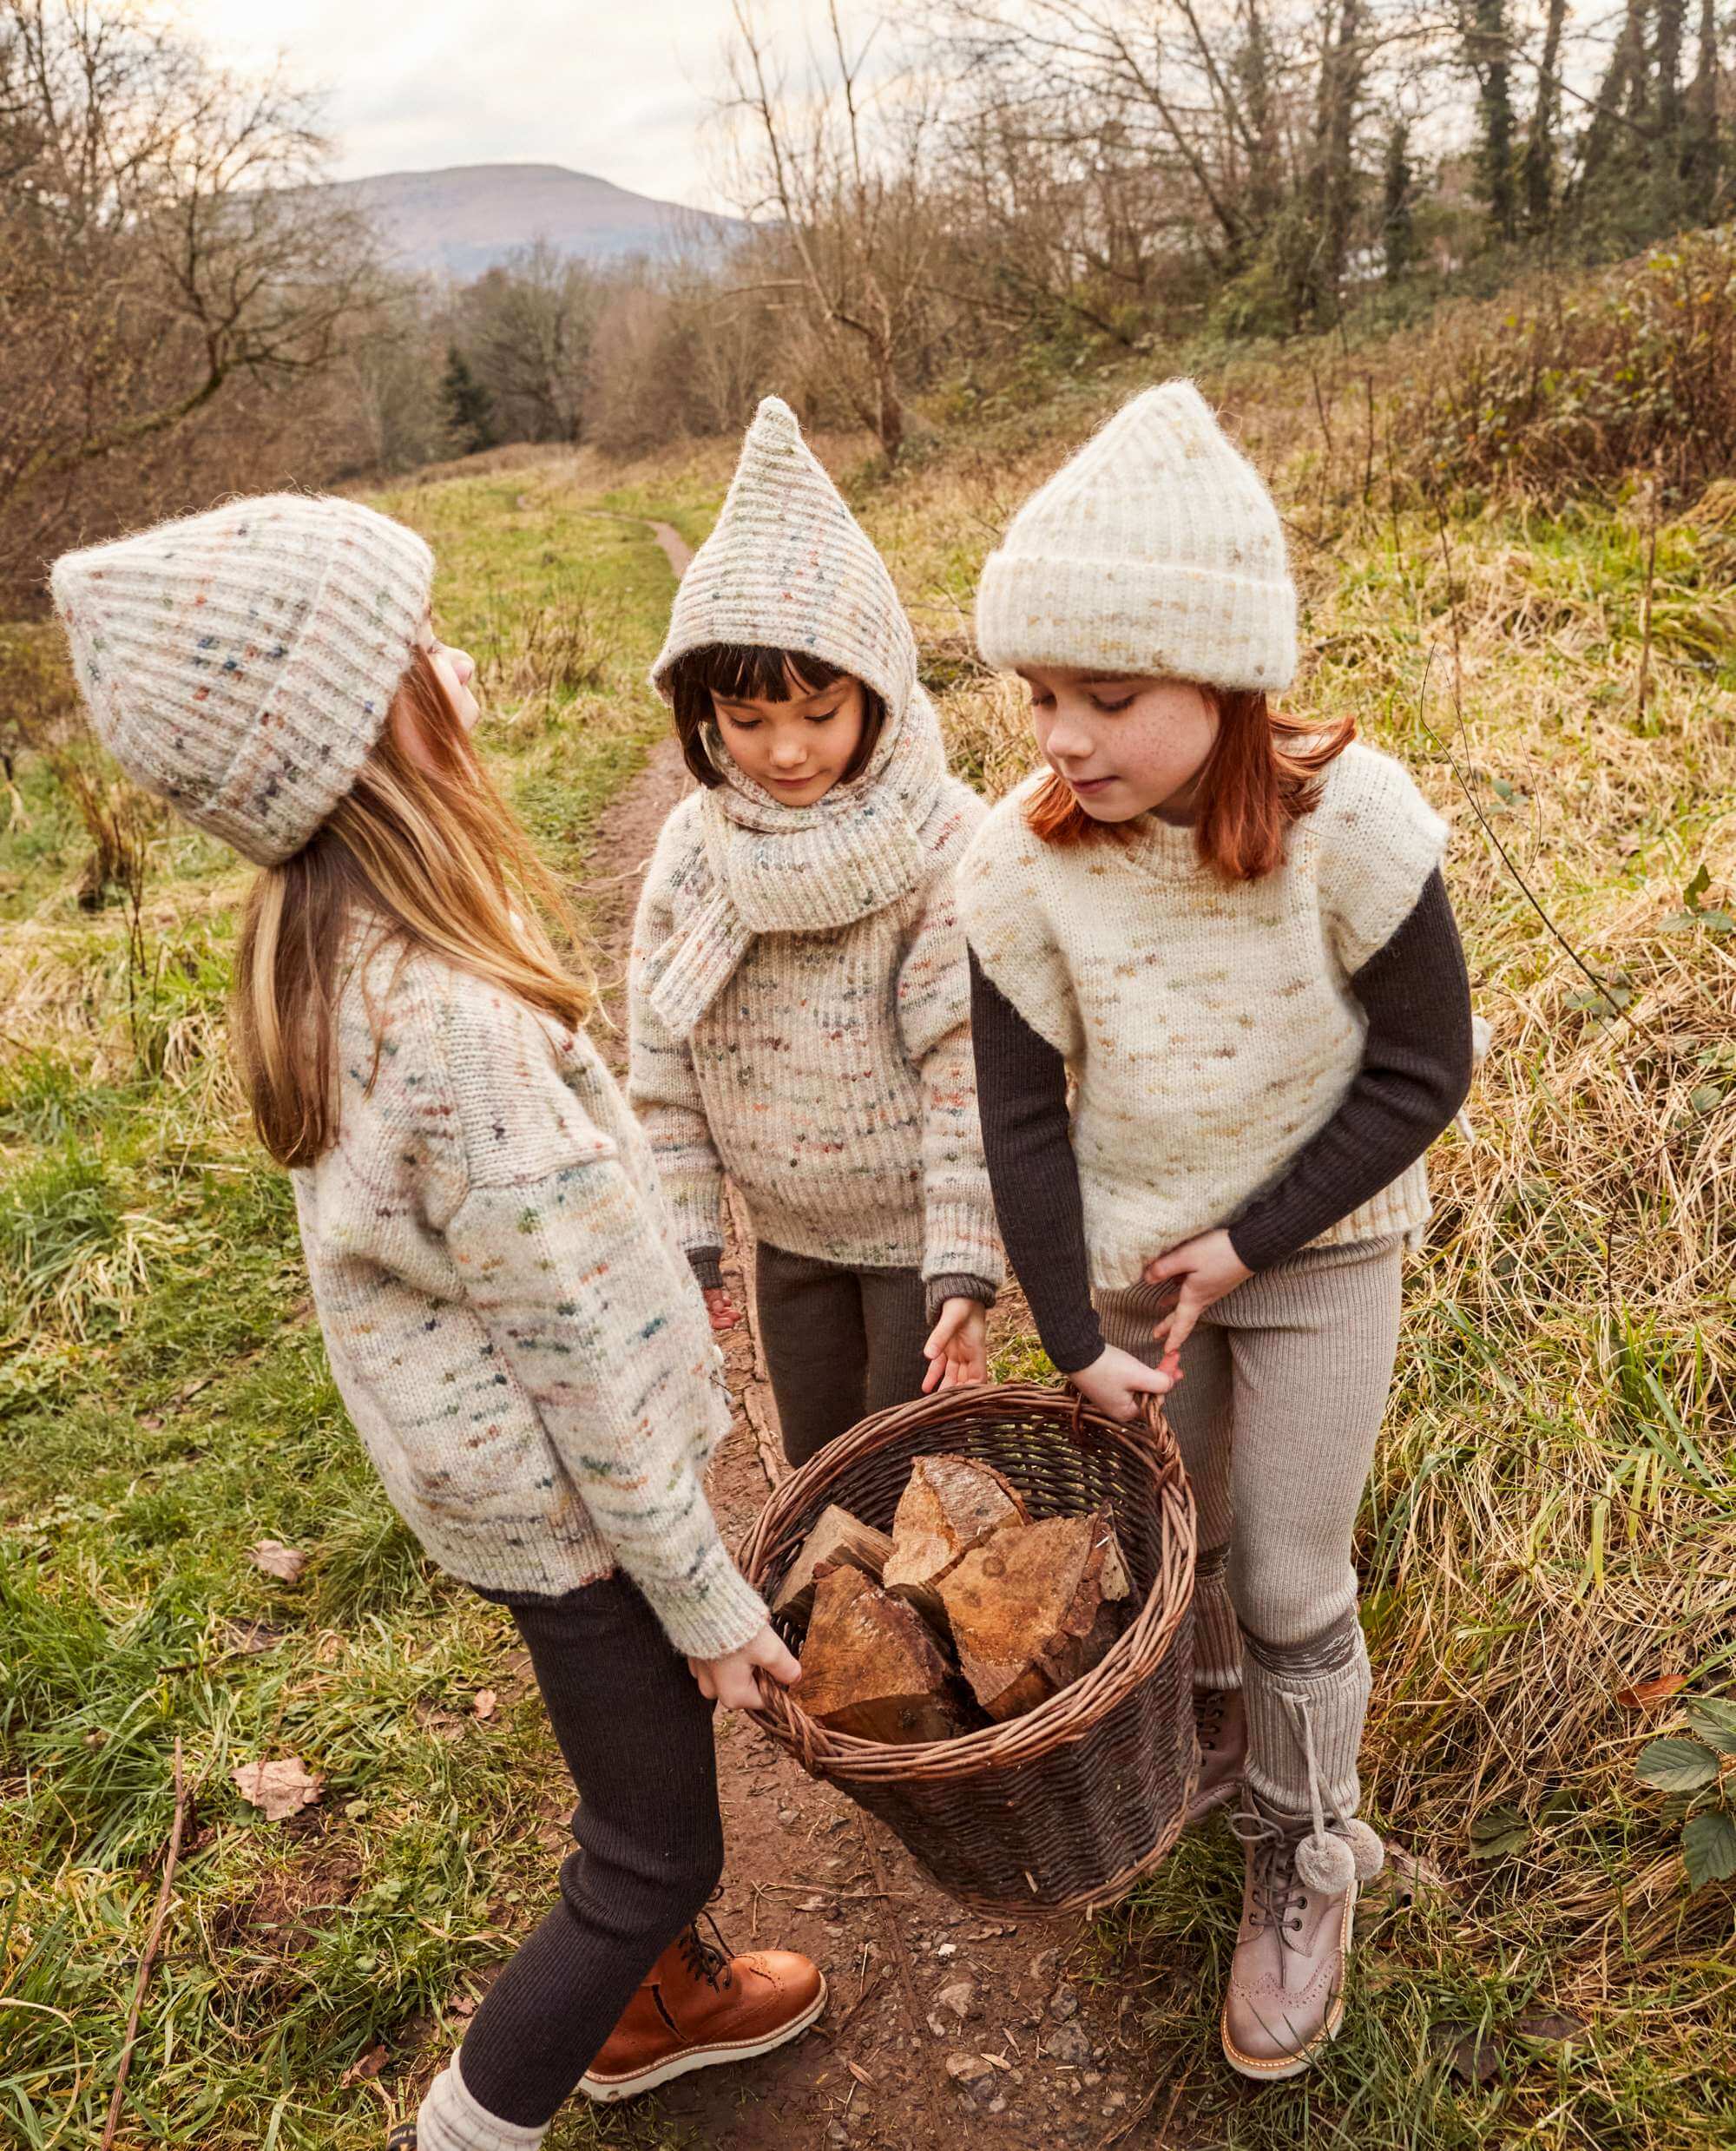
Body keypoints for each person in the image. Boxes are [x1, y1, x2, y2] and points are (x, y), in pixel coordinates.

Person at [50, 495, 825, 2150]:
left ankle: (656, 2007)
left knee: (636, 1784)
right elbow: (581, 1361)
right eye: (423, 648)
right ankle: (467, 2125)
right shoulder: (455, 1024)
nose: (462, 662)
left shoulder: (330, 947)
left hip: (503, 1495)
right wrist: (704, 1595)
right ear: (368, 732)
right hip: (582, 1516)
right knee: (654, 1848)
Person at [957, 383, 1474, 2081]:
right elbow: (1022, 1117)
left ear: (1224, 677)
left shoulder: (1350, 825)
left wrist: (1254, 1240)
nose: (1062, 736)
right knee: (1172, 1568)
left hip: (1319, 1251)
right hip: (1134, 1270)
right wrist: (1071, 1331)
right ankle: (1203, 1765)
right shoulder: (1020, 863)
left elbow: (1422, 1067)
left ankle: (1304, 1860)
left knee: (1288, 1575)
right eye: (1041, 693)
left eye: (1108, 697)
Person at [628, 397, 1003, 1469]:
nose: (784, 752)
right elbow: (661, 1058)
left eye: (817, 714)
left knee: (911, 1469)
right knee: (819, 1470)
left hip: (912, 1244)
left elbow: (970, 1068)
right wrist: (688, 1236)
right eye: (746, 722)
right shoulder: (696, 848)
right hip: (783, 1241)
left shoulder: (942, 842)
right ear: (702, 711)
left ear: (876, 689)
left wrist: (963, 1264)